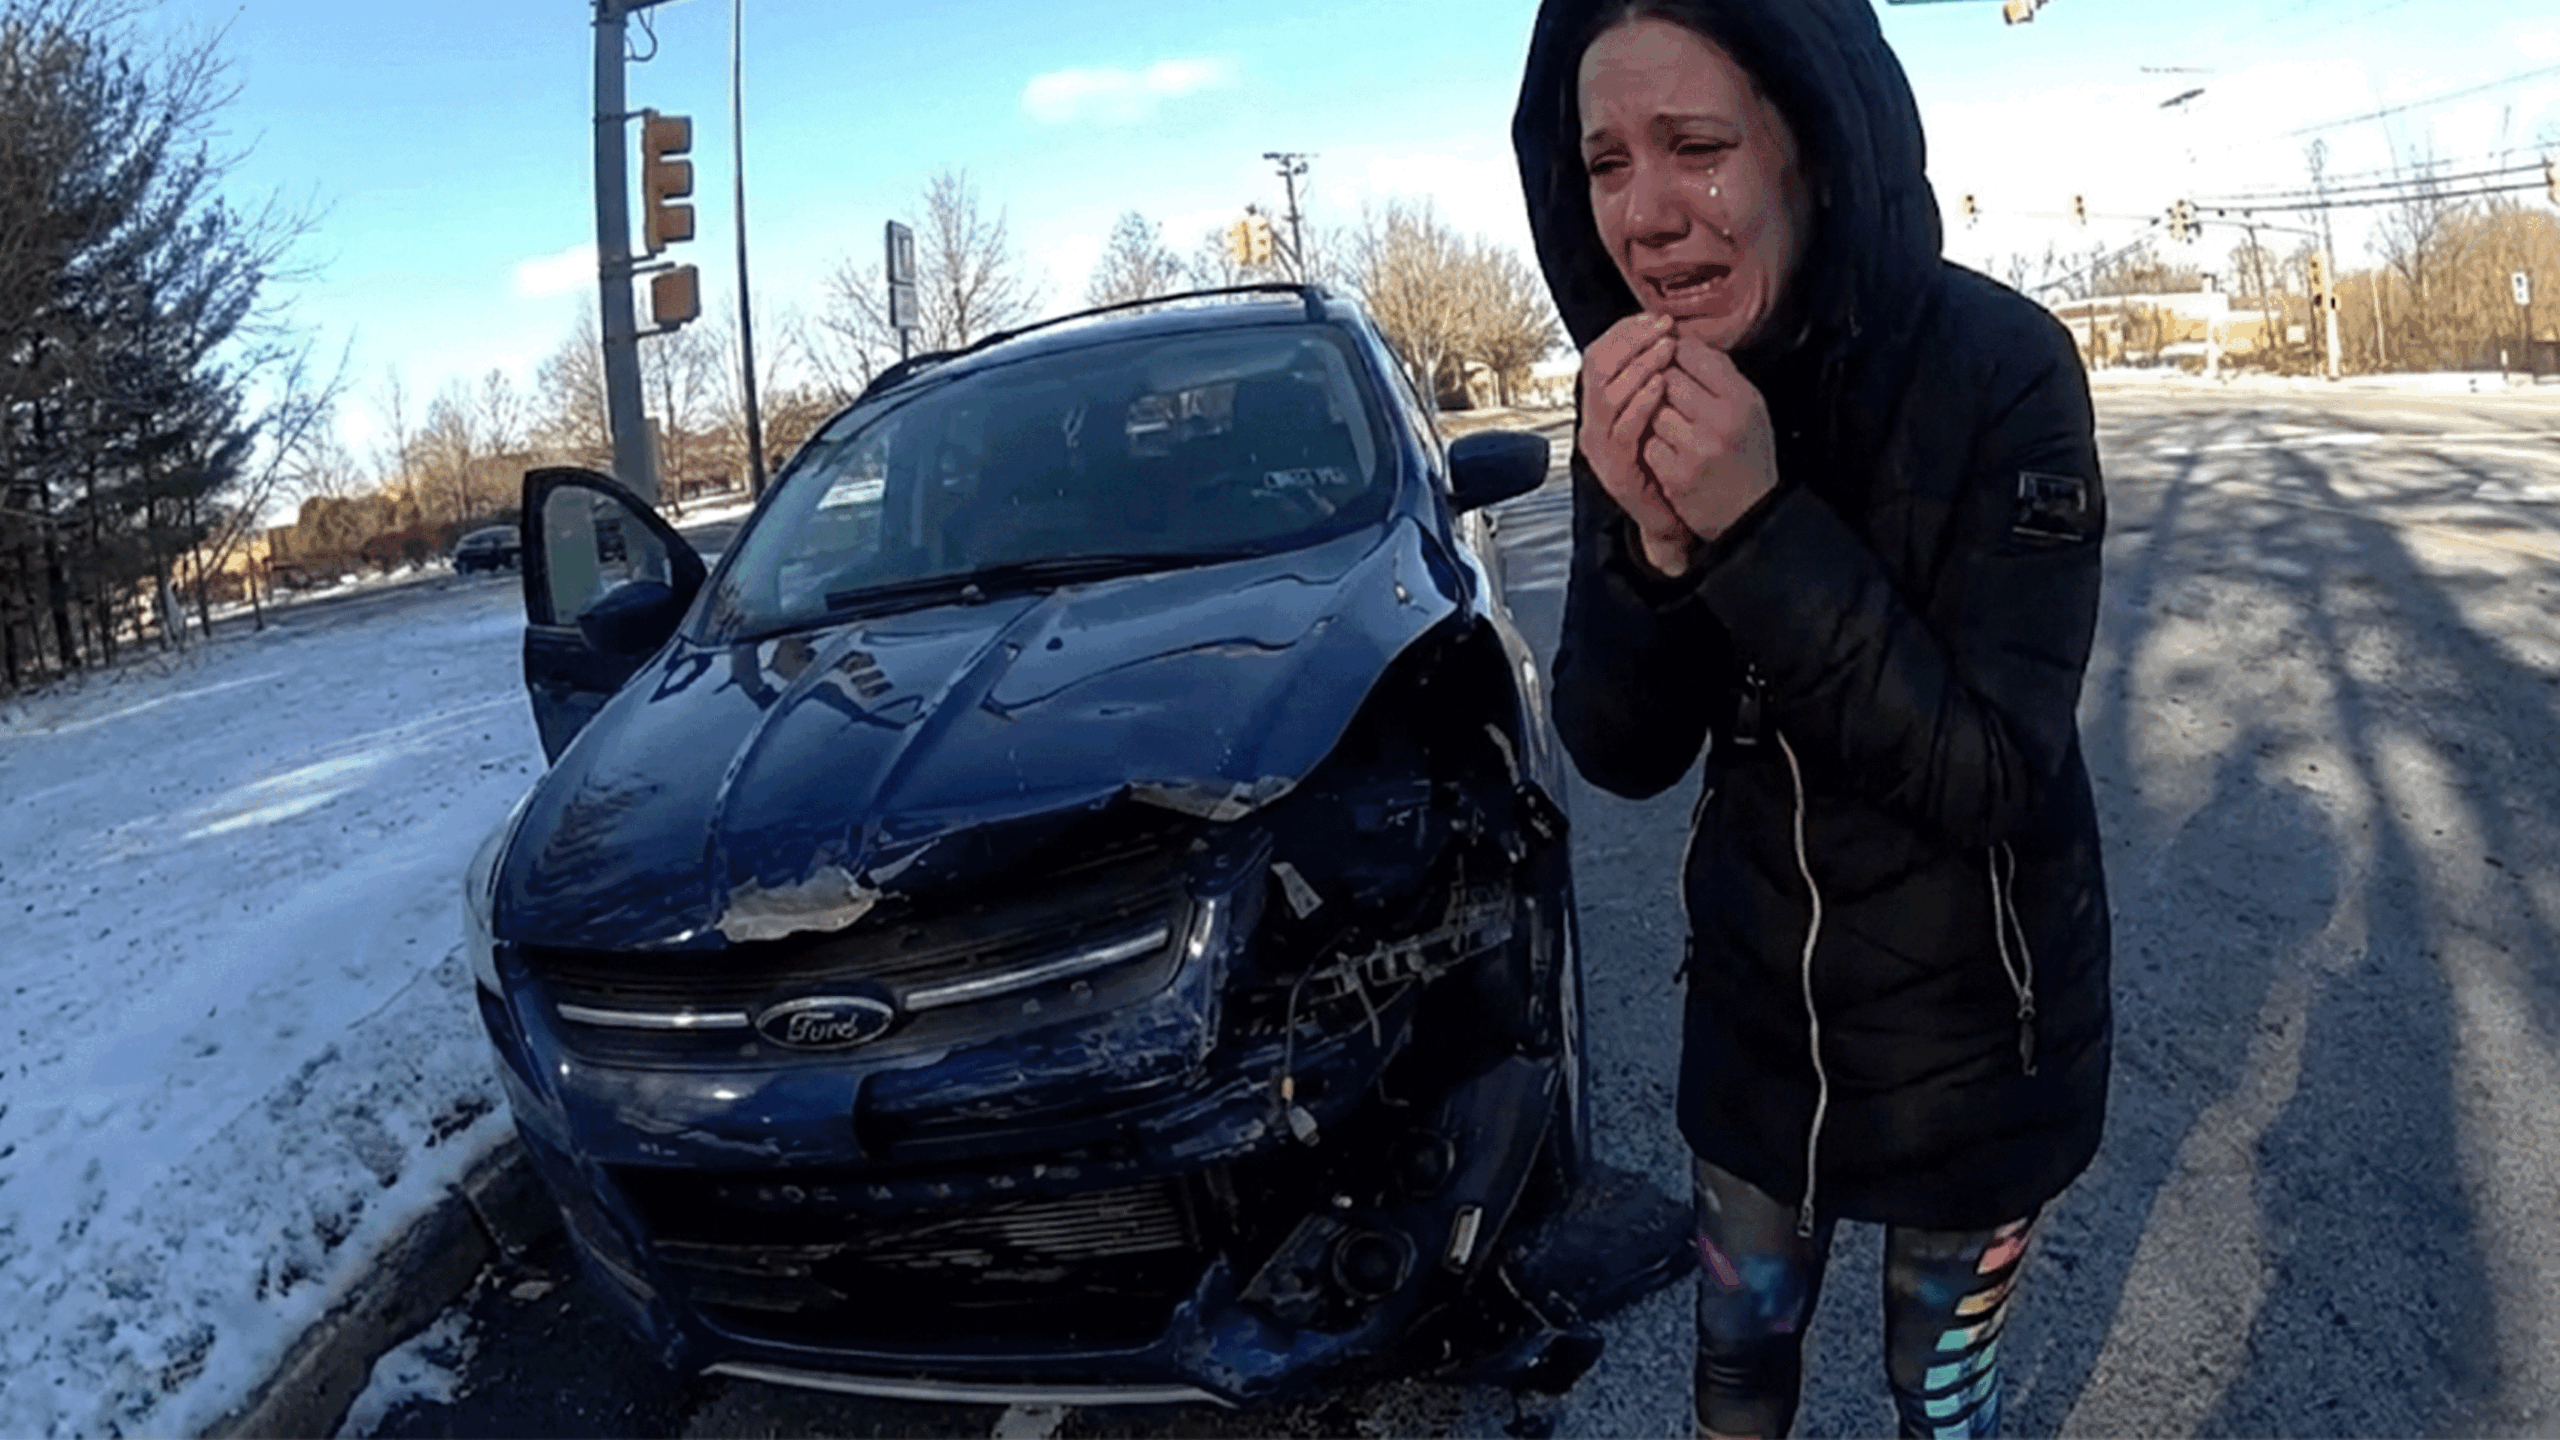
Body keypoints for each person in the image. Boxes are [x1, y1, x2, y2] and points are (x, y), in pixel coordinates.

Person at [1510, 2, 2113, 1436]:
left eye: (1697, 147)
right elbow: (1623, 749)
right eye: (1604, 163)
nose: (1647, 216)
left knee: (1938, 1393)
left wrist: (1754, 526)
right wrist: (1653, 555)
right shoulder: (1639, 385)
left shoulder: (2005, 374)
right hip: (1756, 1050)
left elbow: (1986, 772)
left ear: (1817, 152)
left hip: (1977, 1059)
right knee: (1735, 1382)